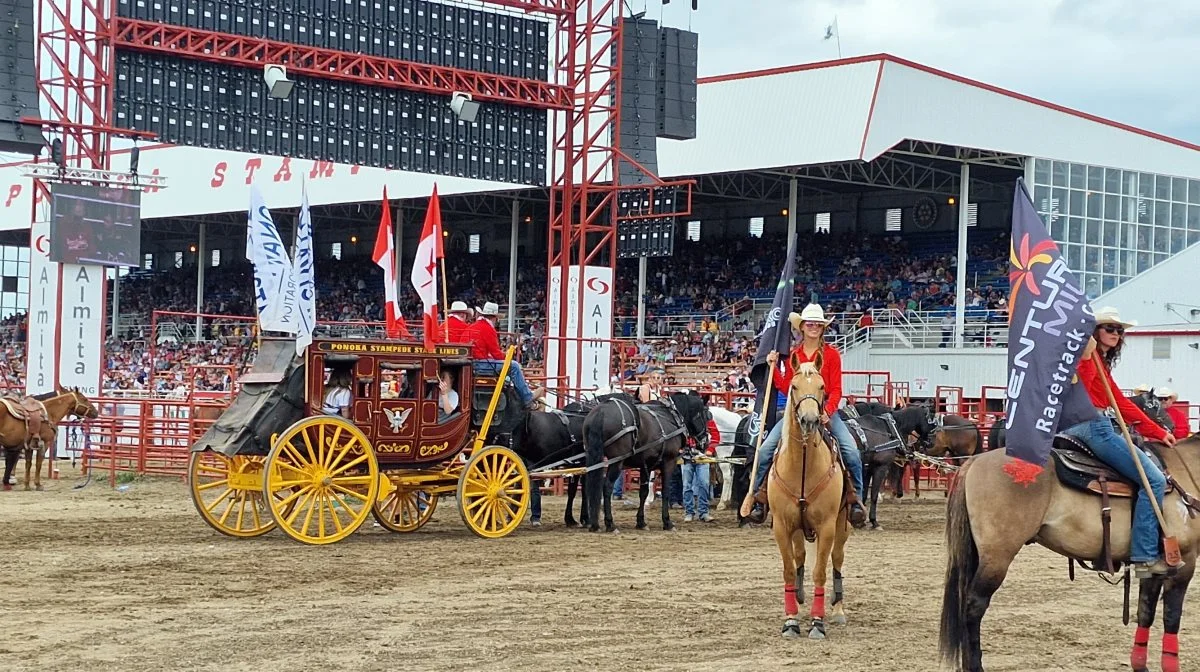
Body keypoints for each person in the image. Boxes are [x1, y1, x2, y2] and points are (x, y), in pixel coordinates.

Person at [1067, 306, 1178, 578]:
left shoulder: (1100, 363)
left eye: (1119, 330)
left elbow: (1120, 402)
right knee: (1154, 480)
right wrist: (1088, 350)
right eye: (1109, 328)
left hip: (1089, 423)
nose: (1116, 333)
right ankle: (1144, 556)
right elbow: (1081, 383)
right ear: (1095, 331)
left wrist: (1157, 431)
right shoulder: (1088, 358)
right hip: (1094, 426)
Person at [750, 304, 866, 528]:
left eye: (818, 324)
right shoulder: (795, 355)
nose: (814, 327)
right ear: (801, 327)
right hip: (796, 415)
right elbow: (787, 387)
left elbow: (836, 389)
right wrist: (773, 368)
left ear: (823, 328)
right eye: (810, 324)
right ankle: (759, 498)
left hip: (826, 413)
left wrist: (828, 412)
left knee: (851, 451)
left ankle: (855, 501)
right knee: (765, 451)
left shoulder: (831, 355)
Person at [467, 301, 542, 410]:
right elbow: (497, 354)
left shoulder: (471, 327)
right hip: (479, 365)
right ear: (495, 318)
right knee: (515, 366)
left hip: (473, 363)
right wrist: (507, 356)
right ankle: (527, 398)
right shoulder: (488, 329)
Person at [682, 415, 719, 523]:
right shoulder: (683, 419)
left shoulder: (706, 418)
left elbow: (716, 435)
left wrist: (710, 449)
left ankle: (703, 512)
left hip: (702, 456)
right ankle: (690, 512)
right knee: (687, 485)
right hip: (687, 457)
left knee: (703, 484)